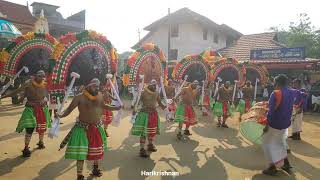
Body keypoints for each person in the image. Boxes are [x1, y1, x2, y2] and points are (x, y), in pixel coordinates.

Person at [58, 78, 121, 180]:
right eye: (94, 86)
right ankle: (79, 175)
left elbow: (104, 106)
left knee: (97, 152)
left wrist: (115, 108)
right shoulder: (79, 97)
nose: (96, 88)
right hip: (82, 128)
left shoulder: (100, 95)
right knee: (81, 153)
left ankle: (95, 169)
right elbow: (69, 109)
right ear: (88, 86)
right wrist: (61, 115)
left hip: (96, 127)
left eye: (97, 86)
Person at [0, 70, 51, 157]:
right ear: (35, 76)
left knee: (42, 127)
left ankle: (41, 142)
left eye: (43, 76)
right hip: (30, 109)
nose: (41, 78)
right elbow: (16, 91)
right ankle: (26, 148)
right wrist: (4, 96)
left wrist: (45, 99)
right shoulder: (28, 83)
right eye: (39, 76)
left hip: (42, 109)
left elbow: (47, 94)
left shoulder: (45, 83)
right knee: (29, 128)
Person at [261, 74, 303, 175]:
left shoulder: (275, 93)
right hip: (285, 123)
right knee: (280, 142)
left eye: (275, 83)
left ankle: (272, 167)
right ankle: (285, 164)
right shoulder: (293, 92)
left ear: (278, 83)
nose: (274, 85)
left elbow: (271, 112)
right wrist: (299, 106)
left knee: (266, 142)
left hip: (275, 123)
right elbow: (303, 94)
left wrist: (267, 125)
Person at [131, 79, 166, 158]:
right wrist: (134, 109)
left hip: (153, 115)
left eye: (155, 85)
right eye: (153, 85)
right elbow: (137, 102)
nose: (154, 86)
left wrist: (165, 107)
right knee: (144, 133)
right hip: (144, 114)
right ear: (149, 85)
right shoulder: (143, 93)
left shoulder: (156, 93)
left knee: (152, 132)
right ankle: (142, 149)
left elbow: (160, 103)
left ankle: (150, 145)